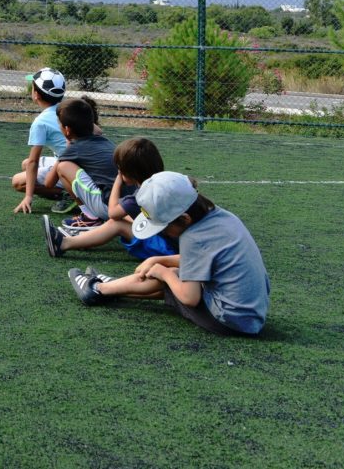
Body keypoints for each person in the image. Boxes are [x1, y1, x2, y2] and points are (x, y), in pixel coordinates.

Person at [67, 171, 271, 337]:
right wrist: (158, 259)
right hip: (250, 316)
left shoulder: (193, 237)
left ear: (184, 219)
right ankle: (111, 287)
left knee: (169, 277)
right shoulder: (221, 218)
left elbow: (189, 297)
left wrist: (163, 272)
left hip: (228, 321)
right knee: (167, 270)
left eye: (163, 228)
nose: (163, 234)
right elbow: (201, 259)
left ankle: (98, 288)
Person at [42, 136, 178, 261]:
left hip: (166, 249)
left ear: (127, 172)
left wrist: (118, 180)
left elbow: (112, 212)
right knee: (128, 220)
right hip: (180, 243)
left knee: (116, 223)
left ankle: (63, 243)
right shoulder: (167, 181)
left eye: (119, 169)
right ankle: (85, 239)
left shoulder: (137, 198)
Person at [46, 97, 118, 231]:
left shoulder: (74, 149)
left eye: (59, 125)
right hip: (123, 206)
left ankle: (90, 217)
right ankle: (94, 215)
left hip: (109, 207)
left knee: (63, 167)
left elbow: (48, 183)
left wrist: (68, 146)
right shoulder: (105, 141)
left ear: (67, 130)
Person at [11, 67, 68, 214]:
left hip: (72, 167)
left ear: (36, 94)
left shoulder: (40, 122)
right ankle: (67, 189)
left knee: (18, 182)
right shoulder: (67, 109)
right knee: (25, 164)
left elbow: (33, 161)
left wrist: (28, 196)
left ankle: (69, 195)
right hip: (78, 163)